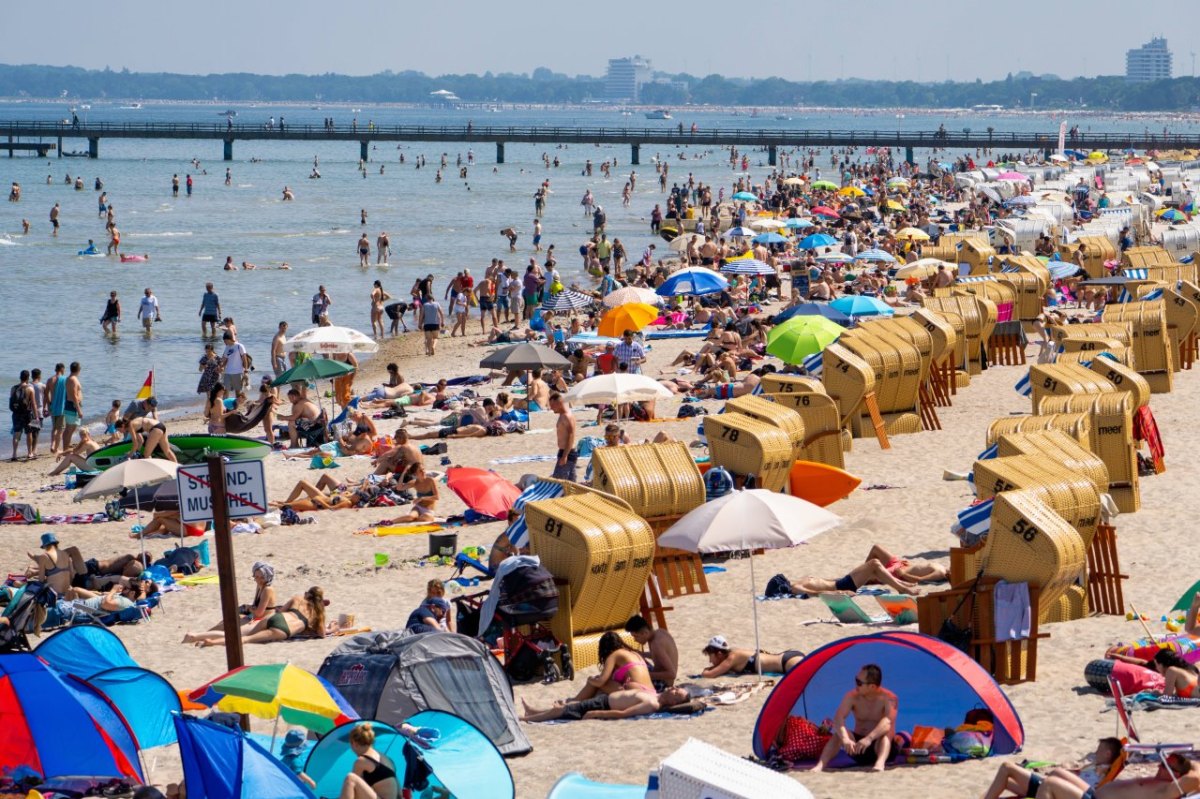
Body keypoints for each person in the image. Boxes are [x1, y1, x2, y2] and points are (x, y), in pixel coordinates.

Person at [811, 663, 896, 772]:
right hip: (858, 748)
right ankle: (820, 765)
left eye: (859, 683)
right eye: (856, 680)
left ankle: (880, 764)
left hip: (879, 747)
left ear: (872, 686)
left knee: (886, 734)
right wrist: (845, 739)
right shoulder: (852, 696)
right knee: (839, 733)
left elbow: (888, 721)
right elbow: (838, 718)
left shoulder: (889, 698)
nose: (856, 685)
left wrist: (869, 738)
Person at [183, 586, 330, 646]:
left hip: (276, 618)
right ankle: (211, 643)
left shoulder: (297, 599)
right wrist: (333, 628)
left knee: (238, 633)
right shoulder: (318, 615)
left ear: (307, 595)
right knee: (246, 640)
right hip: (282, 630)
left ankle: (195, 635)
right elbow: (322, 634)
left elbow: (280, 611)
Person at [981, 738, 1122, 799]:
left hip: (1055, 792)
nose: (1095, 753)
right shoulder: (1095, 766)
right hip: (1054, 787)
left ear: (1107, 754)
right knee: (1004, 779)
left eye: (1099, 750)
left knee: (1007, 768)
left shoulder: (1103, 770)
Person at [520, 685, 690, 722]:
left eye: (677, 692)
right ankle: (533, 711)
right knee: (566, 708)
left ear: (675, 701)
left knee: (564, 710)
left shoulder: (652, 705)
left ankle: (527, 718)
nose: (674, 688)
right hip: (603, 699)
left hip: (602, 706)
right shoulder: (656, 695)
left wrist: (597, 714)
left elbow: (625, 713)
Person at [571, 631, 655, 703]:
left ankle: (575, 701)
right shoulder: (634, 654)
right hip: (652, 693)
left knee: (595, 680)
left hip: (637, 694)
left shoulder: (615, 655)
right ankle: (577, 700)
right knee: (600, 688)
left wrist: (589, 679)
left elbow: (600, 681)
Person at [338, 722, 399, 799]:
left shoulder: (361, 761)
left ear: (354, 743)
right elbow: (399, 792)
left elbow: (352, 791)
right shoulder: (387, 759)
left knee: (350, 779)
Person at [701, 635, 804, 678]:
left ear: (719, 654)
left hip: (786, 663)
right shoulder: (733, 653)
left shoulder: (731, 658)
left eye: (711, 656)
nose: (710, 661)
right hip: (787, 656)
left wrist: (706, 669)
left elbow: (709, 675)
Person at [625, 615, 678, 687]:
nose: (635, 640)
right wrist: (641, 654)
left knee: (628, 680)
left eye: (636, 636)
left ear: (645, 633)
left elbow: (672, 674)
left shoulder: (656, 644)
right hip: (659, 677)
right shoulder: (660, 632)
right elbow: (658, 656)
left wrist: (646, 675)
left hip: (663, 684)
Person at [550, 392, 577, 482]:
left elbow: (571, 435)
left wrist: (564, 456)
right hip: (566, 452)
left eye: (552, 405)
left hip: (567, 453)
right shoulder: (563, 415)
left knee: (559, 482)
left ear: (559, 403)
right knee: (571, 483)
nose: (551, 408)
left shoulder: (566, 416)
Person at [9, 370, 35, 461]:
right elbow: (34, 404)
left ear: (20, 377)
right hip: (27, 414)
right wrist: (36, 416)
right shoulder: (30, 388)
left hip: (16, 414)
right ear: (28, 378)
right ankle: (30, 453)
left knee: (16, 433)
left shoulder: (13, 388)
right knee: (29, 433)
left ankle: (14, 454)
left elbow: (11, 401)